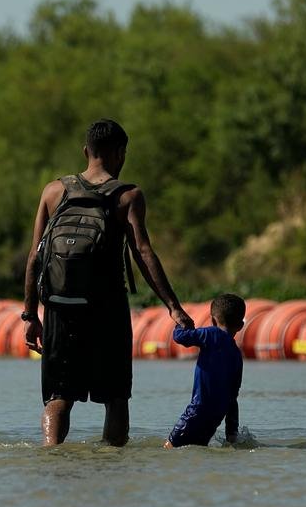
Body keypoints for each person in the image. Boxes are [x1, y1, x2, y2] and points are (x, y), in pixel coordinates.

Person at [23, 119, 193, 447]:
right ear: (120, 154)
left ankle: (51, 454)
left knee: (58, 396)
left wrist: (30, 316)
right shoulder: (127, 196)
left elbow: (34, 257)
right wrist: (173, 307)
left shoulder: (54, 191)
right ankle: (113, 462)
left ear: (86, 151)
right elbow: (143, 253)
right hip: (107, 310)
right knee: (115, 397)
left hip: (59, 308)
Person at [164, 294, 245, 448]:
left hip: (197, 410)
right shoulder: (237, 354)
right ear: (241, 326)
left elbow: (181, 337)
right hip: (217, 416)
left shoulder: (210, 334)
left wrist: (180, 323)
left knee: (169, 449)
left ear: (213, 320)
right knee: (198, 448)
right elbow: (233, 396)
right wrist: (231, 432)